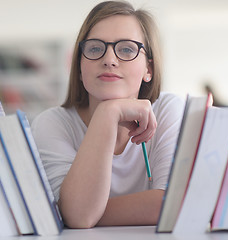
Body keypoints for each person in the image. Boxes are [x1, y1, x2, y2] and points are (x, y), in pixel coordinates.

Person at [31, 0, 184, 228]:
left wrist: (77, 210)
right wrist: (108, 113)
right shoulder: (53, 124)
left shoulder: (167, 110)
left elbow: (172, 204)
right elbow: (80, 218)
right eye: (94, 48)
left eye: (126, 49)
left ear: (148, 69)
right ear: (80, 68)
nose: (109, 60)